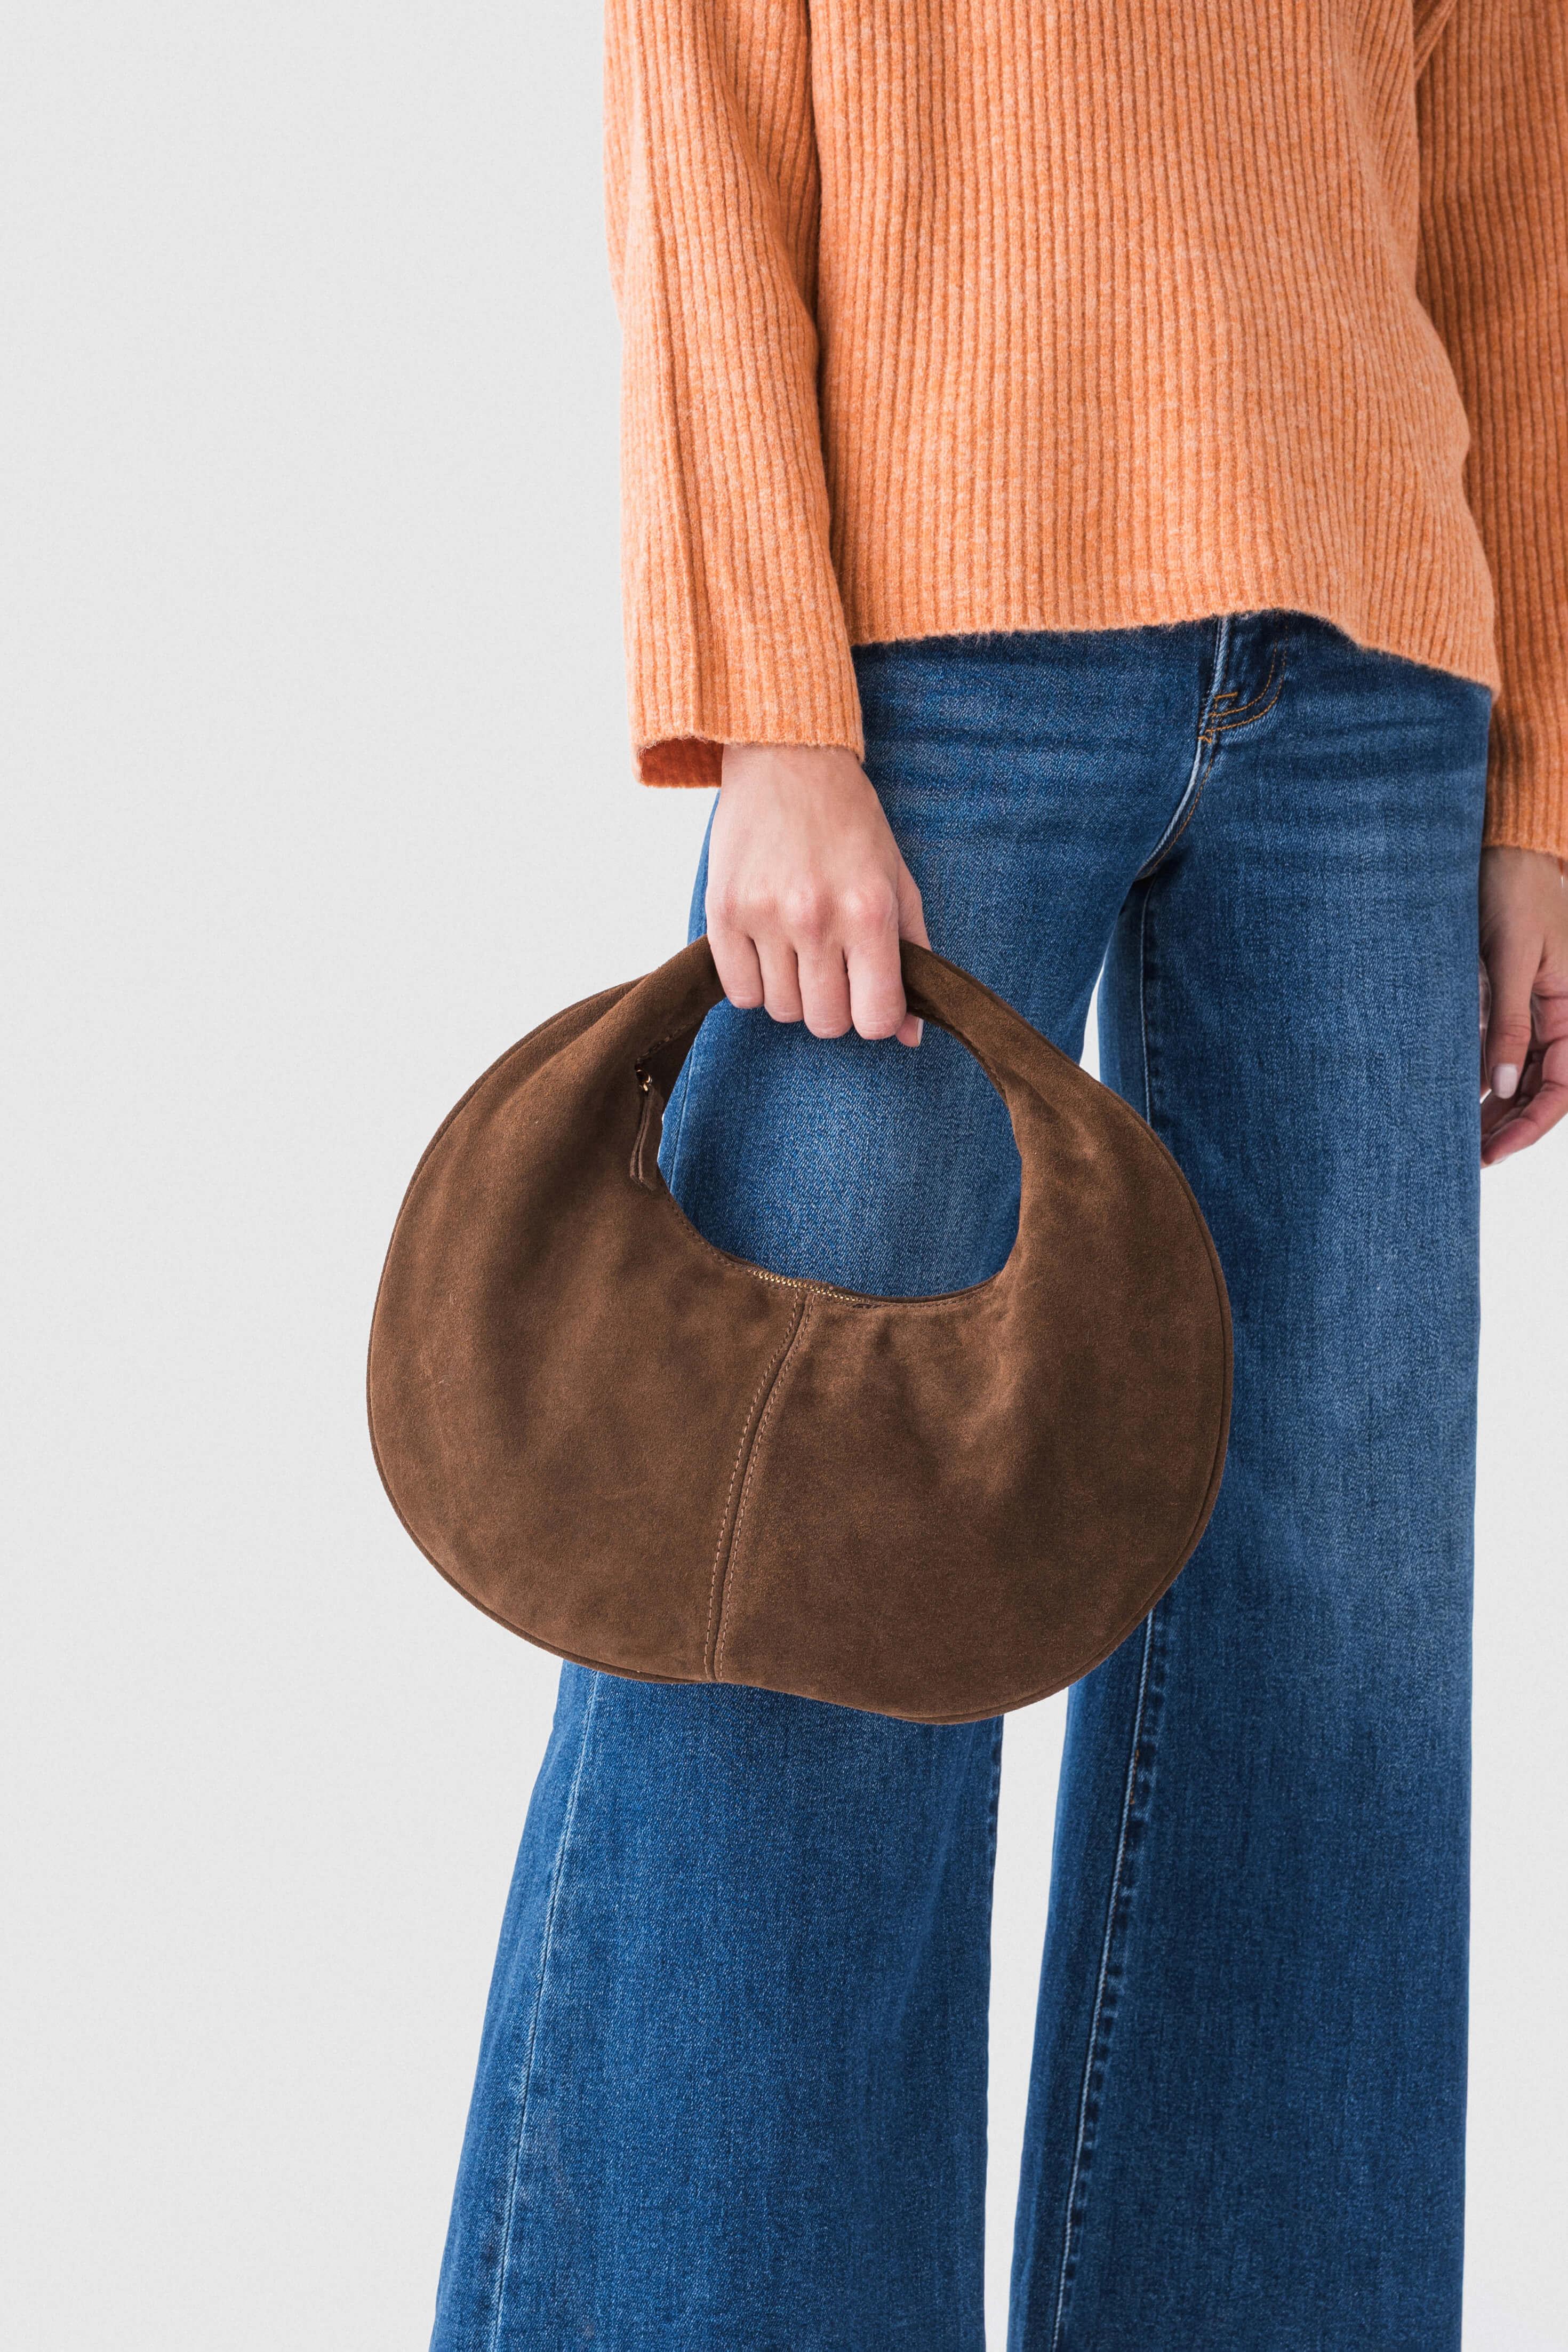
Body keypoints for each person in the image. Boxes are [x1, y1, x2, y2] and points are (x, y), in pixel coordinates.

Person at [428, 4, 1565, 2346]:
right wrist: (768, 699)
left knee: (1341, 1657)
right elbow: (706, 91)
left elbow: (1518, 162)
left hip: (1375, 672)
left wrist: (1542, 783)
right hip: (931, 651)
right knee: (804, 1583)